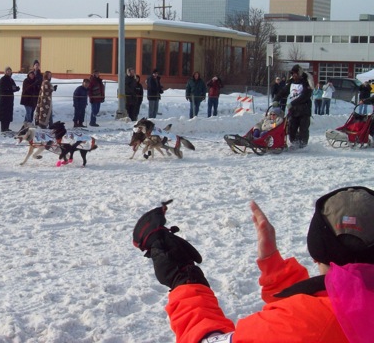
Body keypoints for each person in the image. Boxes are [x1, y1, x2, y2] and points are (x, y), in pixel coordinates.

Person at [133, 186, 374, 343]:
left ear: (317, 251)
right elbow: (337, 304)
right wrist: (274, 266)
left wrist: (184, 279)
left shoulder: (302, 325)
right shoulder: (350, 309)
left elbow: (208, 340)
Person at [273, 64, 313, 148]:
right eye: (292, 74)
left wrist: (293, 103)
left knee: (303, 130)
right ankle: (294, 143)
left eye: (295, 73)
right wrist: (276, 99)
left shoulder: (306, 82)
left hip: (304, 110)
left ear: (299, 73)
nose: (294, 75)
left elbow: (305, 96)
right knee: (291, 129)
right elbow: (283, 92)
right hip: (293, 111)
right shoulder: (291, 83)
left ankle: (303, 145)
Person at [0, 66, 20, 133]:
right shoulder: (3, 79)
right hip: (4, 100)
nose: (9, 72)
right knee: (3, 115)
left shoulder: (11, 80)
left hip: (10, 100)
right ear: (5, 72)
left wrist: (16, 88)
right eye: (7, 71)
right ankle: (3, 129)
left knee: (8, 115)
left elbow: (13, 87)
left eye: (10, 71)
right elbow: (4, 88)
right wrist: (11, 89)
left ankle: (7, 128)